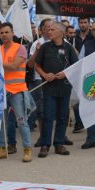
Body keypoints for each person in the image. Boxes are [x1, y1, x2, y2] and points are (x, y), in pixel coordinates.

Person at [0, 23, 33, 162]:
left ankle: (27, 149)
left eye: (7, 32)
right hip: (2, 91)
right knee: (1, 121)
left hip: (18, 90)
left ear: (13, 33)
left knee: (21, 121)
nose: (4, 35)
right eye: (2, 33)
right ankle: (1, 148)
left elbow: (14, 66)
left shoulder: (21, 49)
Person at [35, 22, 78, 157]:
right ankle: (45, 144)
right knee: (48, 116)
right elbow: (37, 65)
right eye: (48, 29)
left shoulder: (69, 48)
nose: (49, 31)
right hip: (49, 87)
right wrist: (44, 75)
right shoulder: (44, 47)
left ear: (61, 32)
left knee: (62, 116)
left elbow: (75, 66)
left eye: (52, 29)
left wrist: (66, 73)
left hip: (64, 87)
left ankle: (59, 143)